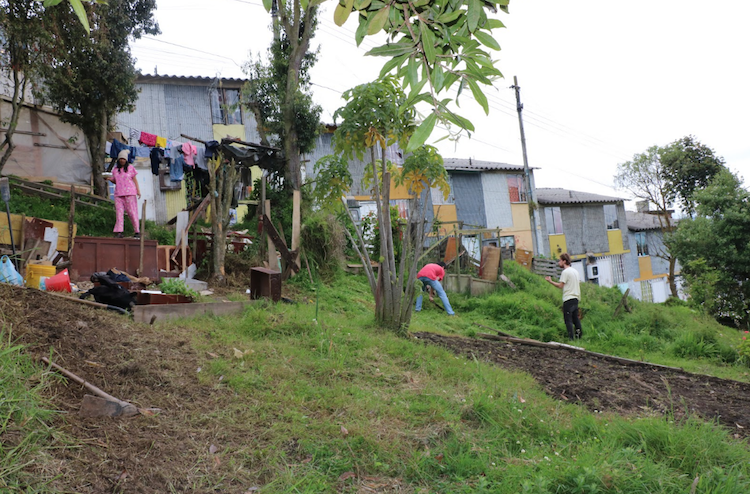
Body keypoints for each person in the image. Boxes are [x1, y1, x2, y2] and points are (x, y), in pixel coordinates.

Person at [546, 253, 582, 340]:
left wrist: (550, 281)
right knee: (575, 319)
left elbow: (560, 286)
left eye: (560, 260)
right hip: (576, 298)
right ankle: (579, 336)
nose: (559, 263)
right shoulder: (575, 272)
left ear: (564, 261)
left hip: (568, 298)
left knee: (568, 320)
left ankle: (571, 338)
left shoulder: (565, 272)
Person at [108, 149, 141, 239]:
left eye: (124, 159)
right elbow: (116, 181)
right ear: (118, 160)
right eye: (121, 159)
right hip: (118, 194)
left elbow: (135, 180)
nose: (122, 160)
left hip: (130, 193)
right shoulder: (115, 170)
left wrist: (138, 191)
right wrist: (109, 179)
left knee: (132, 212)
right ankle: (119, 232)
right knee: (119, 213)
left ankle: (137, 231)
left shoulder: (130, 168)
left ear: (126, 160)